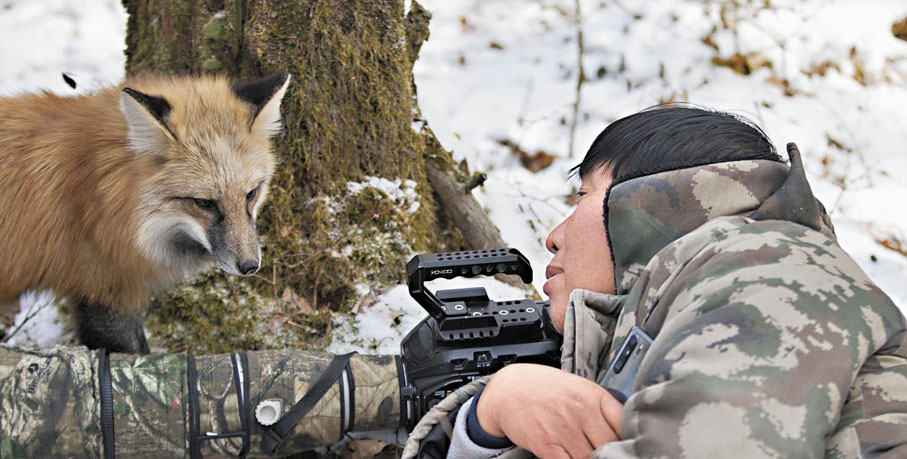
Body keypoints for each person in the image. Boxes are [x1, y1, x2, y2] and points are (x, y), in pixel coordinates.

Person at [403, 106, 907, 458]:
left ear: (646, 203)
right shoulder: (704, 294)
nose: (554, 239)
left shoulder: (771, 264)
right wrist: (487, 419)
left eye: (579, 198)